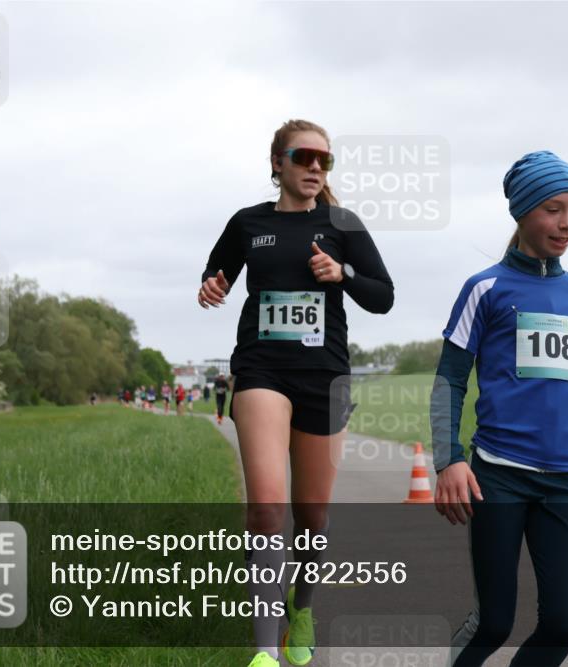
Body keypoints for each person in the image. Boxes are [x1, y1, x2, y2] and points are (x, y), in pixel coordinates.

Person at [198, 119, 394, 667]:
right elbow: (217, 276)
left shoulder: (341, 224)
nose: (315, 167)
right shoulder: (247, 223)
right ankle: (264, 652)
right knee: (266, 509)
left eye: (324, 160)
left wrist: (342, 273)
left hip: (322, 377)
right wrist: (211, 285)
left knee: (311, 517)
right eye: (304, 157)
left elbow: (383, 296)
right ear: (277, 163)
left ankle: (301, 609)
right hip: (261, 370)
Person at [431, 151, 568, 667]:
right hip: (497, 477)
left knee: (564, 623)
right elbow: (449, 380)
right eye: (553, 209)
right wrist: (448, 458)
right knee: (493, 624)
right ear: (521, 213)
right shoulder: (486, 288)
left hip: (563, 481)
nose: (567, 223)